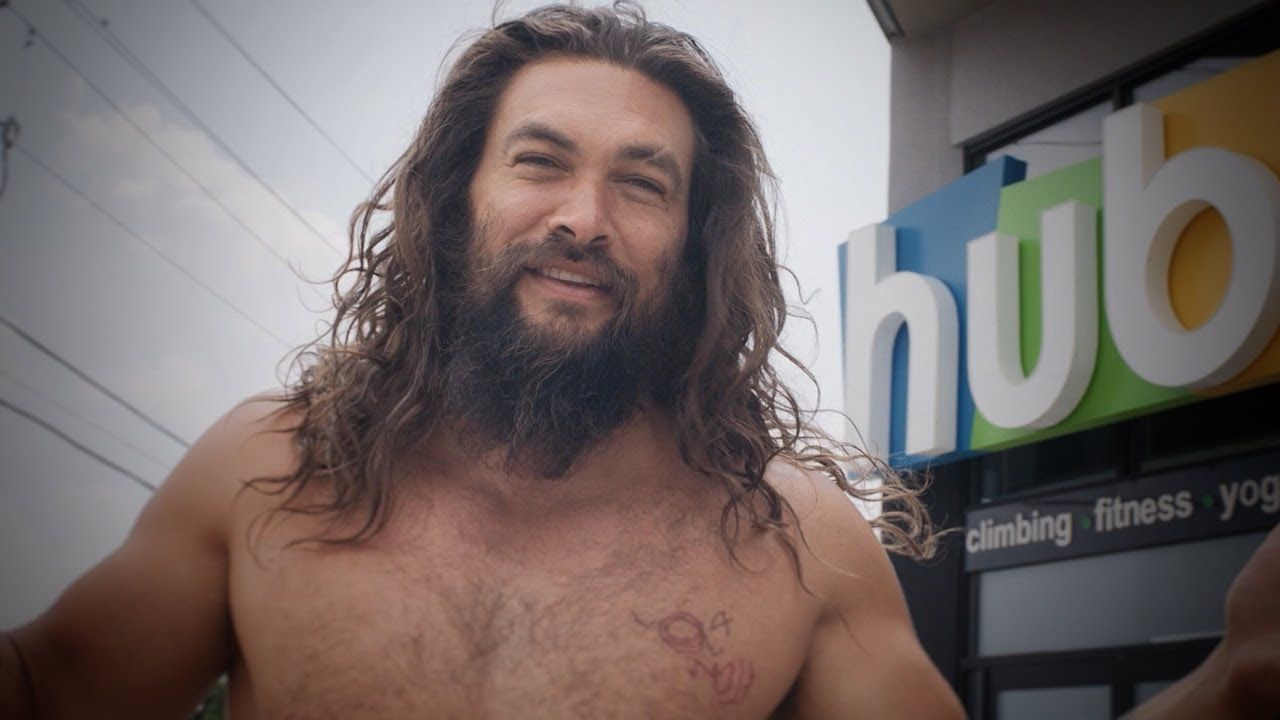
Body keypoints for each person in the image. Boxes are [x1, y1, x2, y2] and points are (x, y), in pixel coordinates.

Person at [2, 4, 1277, 718]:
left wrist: (1226, 690)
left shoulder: (794, 544)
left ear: (696, 241)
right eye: (541, 161)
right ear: (458, 200)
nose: (581, 218)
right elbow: (53, 686)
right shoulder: (269, 470)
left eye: (641, 183)